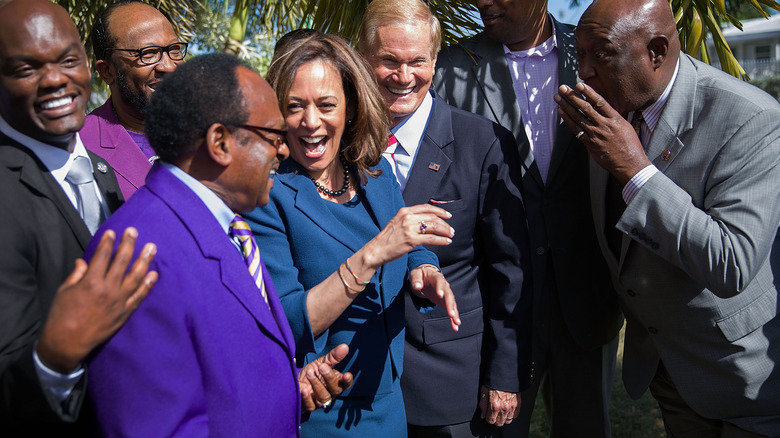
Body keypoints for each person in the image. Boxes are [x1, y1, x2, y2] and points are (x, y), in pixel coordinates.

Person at [85, 53, 353, 437]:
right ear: (220, 142)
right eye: (272, 135)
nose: (281, 151)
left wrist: (285, 383)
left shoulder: (228, 228)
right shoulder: (143, 255)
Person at [556, 0, 780, 435]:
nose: (583, 73)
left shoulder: (751, 119)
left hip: (744, 380)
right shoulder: (609, 110)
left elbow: (730, 263)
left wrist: (636, 171)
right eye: (578, 56)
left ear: (656, 51)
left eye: (600, 54)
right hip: (667, 372)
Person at [243, 32, 461, 436]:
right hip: (319, 413)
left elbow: (405, 240)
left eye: (326, 105)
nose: (311, 122)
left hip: (389, 402)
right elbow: (286, 322)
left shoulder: (372, 171)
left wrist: (423, 270)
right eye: (295, 107)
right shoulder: (265, 197)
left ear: (351, 107)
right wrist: (372, 254)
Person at [434, 0, 622, 436]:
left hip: (585, 294)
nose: (483, 2)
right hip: (496, 299)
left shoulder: (594, 51)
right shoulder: (450, 68)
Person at [357, 0, 532, 435]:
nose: (404, 76)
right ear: (362, 58)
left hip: (448, 379)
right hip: (356, 376)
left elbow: (510, 270)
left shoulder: (484, 142)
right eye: (388, 61)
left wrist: (504, 375)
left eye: (417, 61)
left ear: (435, 60)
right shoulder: (337, 140)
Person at [0, 0, 157, 435]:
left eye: (68, 60)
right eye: (25, 68)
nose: (55, 79)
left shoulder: (102, 173)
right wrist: (54, 356)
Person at [81, 0, 186, 199]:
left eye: (174, 49)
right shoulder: (80, 147)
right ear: (107, 71)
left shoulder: (209, 131)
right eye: (148, 53)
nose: (169, 66)